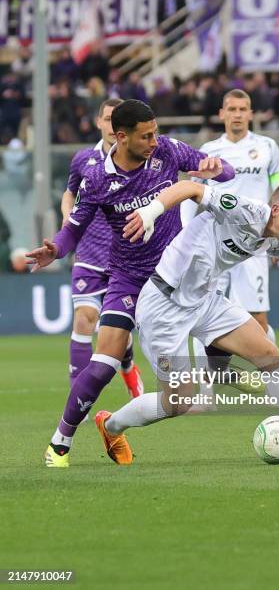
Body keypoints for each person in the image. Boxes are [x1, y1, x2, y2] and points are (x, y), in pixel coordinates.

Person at [93, 180, 279, 466]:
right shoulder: (244, 210)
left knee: (269, 354)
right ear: (275, 210)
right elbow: (191, 189)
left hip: (205, 301)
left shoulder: (272, 238)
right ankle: (112, 427)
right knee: (177, 403)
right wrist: (150, 211)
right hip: (163, 307)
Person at [26, 99, 235, 468]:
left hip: (176, 275)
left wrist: (217, 169)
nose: (155, 140)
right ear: (121, 137)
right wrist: (55, 249)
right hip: (130, 279)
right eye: (146, 135)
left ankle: (234, 385)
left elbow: (225, 173)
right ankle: (60, 442)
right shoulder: (97, 179)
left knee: (225, 343)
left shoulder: (167, 151)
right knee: (105, 362)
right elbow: (73, 230)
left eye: (155, 132)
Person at [181, 89, 279, 382]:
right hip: (213, 245)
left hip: (253, 244)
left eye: (243, 109)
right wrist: (185, 240)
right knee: (201, 314)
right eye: (232, 108)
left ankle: (273, 377)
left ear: (251, 114)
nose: (238, 114)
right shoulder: (209, 150)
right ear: (222, 113)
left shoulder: (268, 147)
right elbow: (192, 194)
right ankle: (206, 384)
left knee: (257, 318)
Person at [60, 97, 144, 400]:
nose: (112, 126)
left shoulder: (140, 159)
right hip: (90, 253)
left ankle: (129, 365)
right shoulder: (83, 160)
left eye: (117, 120)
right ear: (99, 122)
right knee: (84, 318)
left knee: (117, 329)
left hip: (126, 257)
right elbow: (69, 194)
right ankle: (77, 395)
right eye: (107, 119)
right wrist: (68, 222)